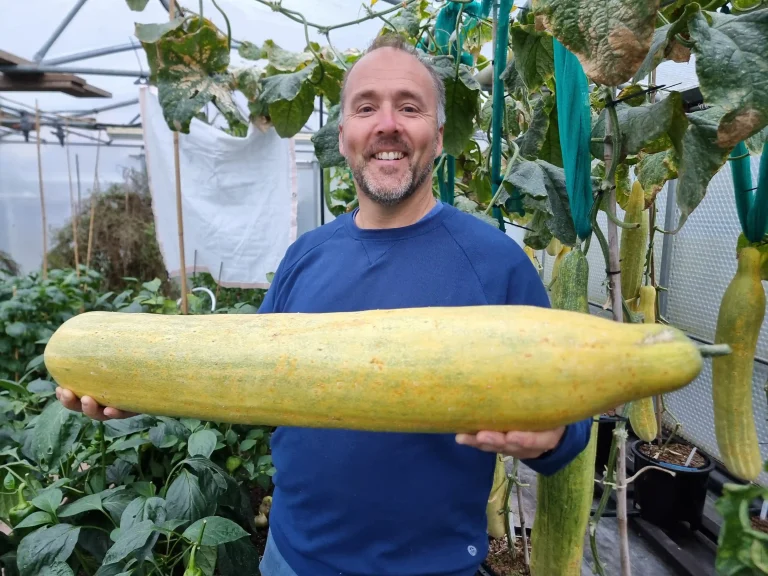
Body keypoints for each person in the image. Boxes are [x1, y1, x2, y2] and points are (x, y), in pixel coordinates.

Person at [56, 33, 592, 576]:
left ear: (439, 133)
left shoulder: (496, 264)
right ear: (344, 135)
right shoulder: (304, 257)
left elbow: (572, 424)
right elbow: (246, 379)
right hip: (293, 560)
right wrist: (143, 385)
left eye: (409, 107)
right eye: (366, 108)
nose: (387, 124)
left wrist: (551, 437)